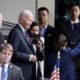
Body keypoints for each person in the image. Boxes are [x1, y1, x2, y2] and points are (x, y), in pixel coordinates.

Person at [7, 10, 37, 80]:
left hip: (28, 72)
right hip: (21, 73)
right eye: (29, 20)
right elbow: (12, 53)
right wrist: (29, 57)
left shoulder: (23, 31)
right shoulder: (16, 32)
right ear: (22, 19)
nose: (31, 23)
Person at [56, 2, 80, 80]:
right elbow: (59, 40)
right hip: (65, 58)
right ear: (69, 12)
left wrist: (74, 51)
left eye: (76, 10)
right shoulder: (62, 25)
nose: (74, 12)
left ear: (79, 11)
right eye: (72, 10)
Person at [37, 7, 57, 78]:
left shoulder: (53, 31)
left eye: (44, 15)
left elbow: (55, 47)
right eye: (39, 15)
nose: (41, 17)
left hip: (48, 60)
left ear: (48, 16)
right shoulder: (33, 29)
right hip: (36, 59)